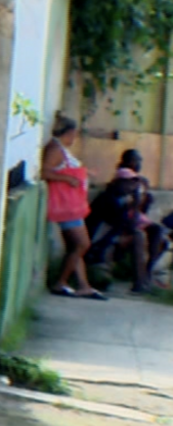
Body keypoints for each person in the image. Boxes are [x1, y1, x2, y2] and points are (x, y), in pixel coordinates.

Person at [87, 148, 166, 292]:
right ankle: (139, 282)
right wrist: (135, 202)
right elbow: (123, 222)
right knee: (137, 236)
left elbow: (138, 217)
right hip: (106, 238)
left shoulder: (131, 192)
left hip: (123, 230)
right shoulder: (111, 196)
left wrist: (142, 201)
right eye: (129, 183)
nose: (132, 186)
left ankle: (146, 274)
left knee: (158, 231)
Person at [44, 114, 101, 299]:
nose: (74, 138)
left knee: (75, 246)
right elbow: (45, 171)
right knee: (82, 244)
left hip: (72, 206)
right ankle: (61, 282)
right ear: (68, 132)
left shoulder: (60, 149)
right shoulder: (54, 149)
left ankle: (83, 285)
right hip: (66, 206)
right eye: (74, 134)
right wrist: (68, 179)